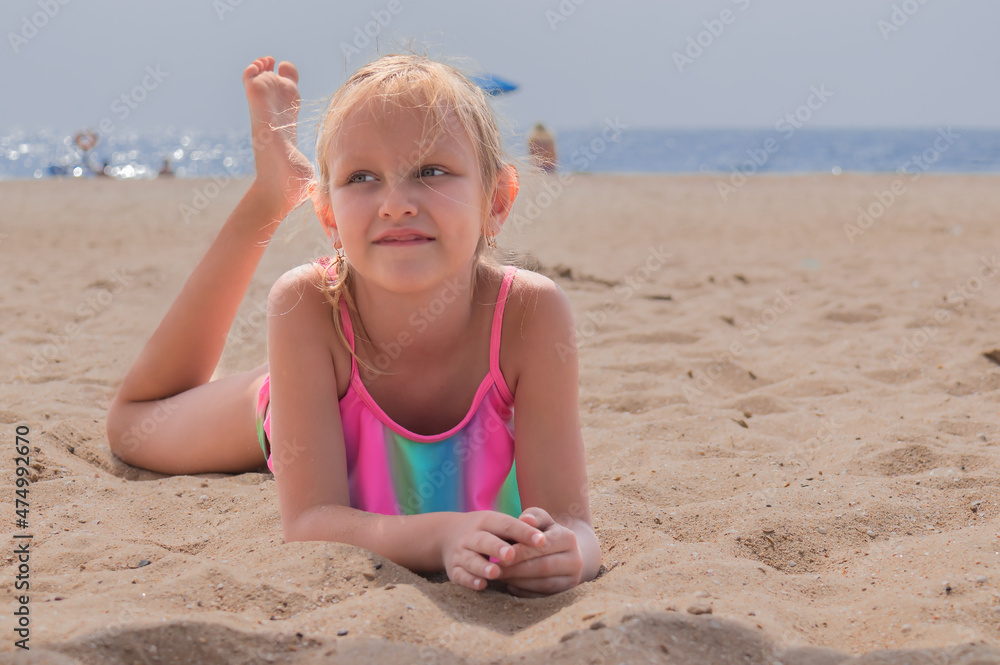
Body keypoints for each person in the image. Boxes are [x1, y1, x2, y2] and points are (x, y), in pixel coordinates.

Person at [105, 56, 599, 597]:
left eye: (431, 171)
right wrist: (443, 535)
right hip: (301, 402)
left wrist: (566, 554)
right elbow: (311, 522)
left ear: (498, 201)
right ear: (329, 217)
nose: (395, 205)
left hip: (336, 388)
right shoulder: (308, 303)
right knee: (134, 427)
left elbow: (573, 523)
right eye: (362, 178)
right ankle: (274, 191)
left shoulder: (531, 314)